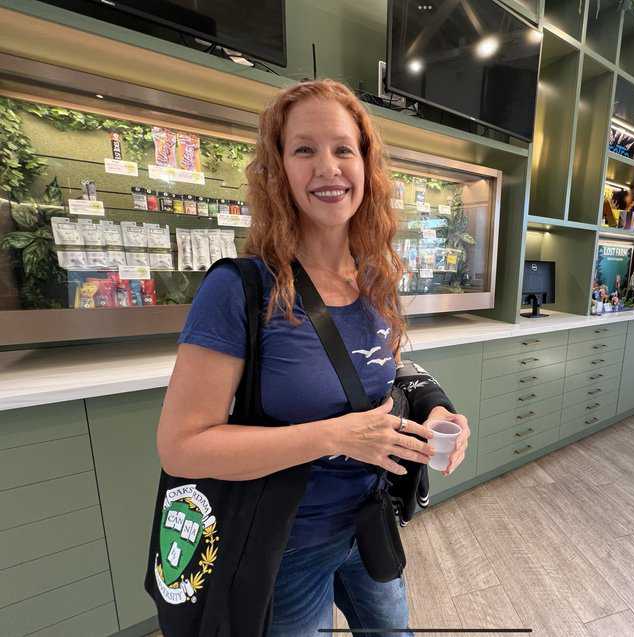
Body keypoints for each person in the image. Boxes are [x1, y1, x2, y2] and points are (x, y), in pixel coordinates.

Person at [157, 79, 471, 636]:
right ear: (279, 169)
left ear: (365, 166)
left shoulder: (375, 279)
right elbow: (182, 447)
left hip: (371, 522)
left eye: (343, 149)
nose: (327, 166)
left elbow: (388, 370)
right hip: (285, 545)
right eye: (305, 149)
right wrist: (335, 436)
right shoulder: (240, 290)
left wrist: (437, 410)